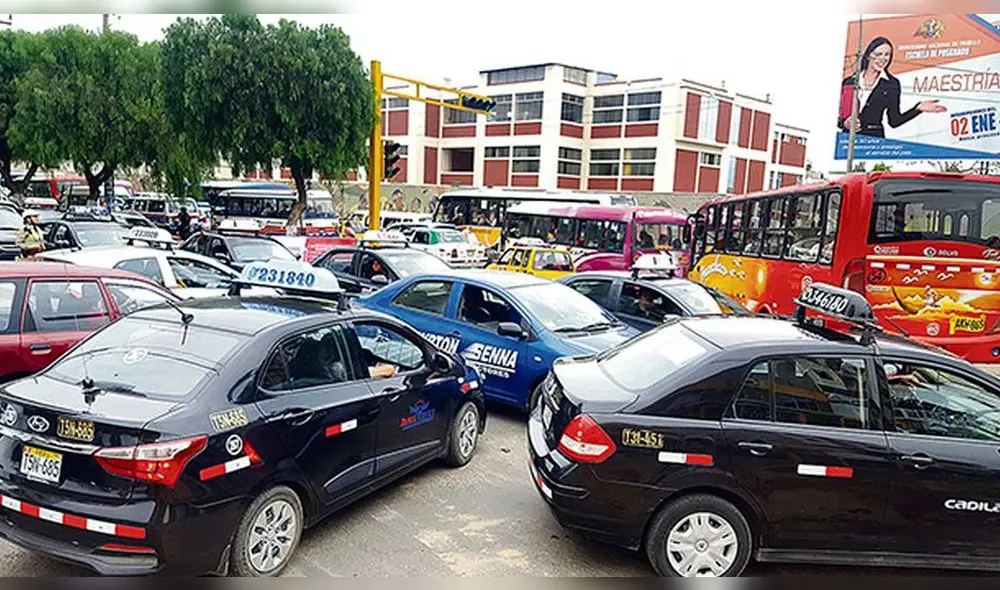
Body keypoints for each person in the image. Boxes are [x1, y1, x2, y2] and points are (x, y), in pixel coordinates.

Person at [838, 36, 946, 137]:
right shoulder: (849, 82)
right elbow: (838, 118)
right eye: (879, 54)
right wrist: (844, 123)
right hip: (847, 141)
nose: (883, 59)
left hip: (873, 142)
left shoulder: (892, 84)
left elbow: (894, 121)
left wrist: (918, 109)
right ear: (868, 55)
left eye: (887, 54)